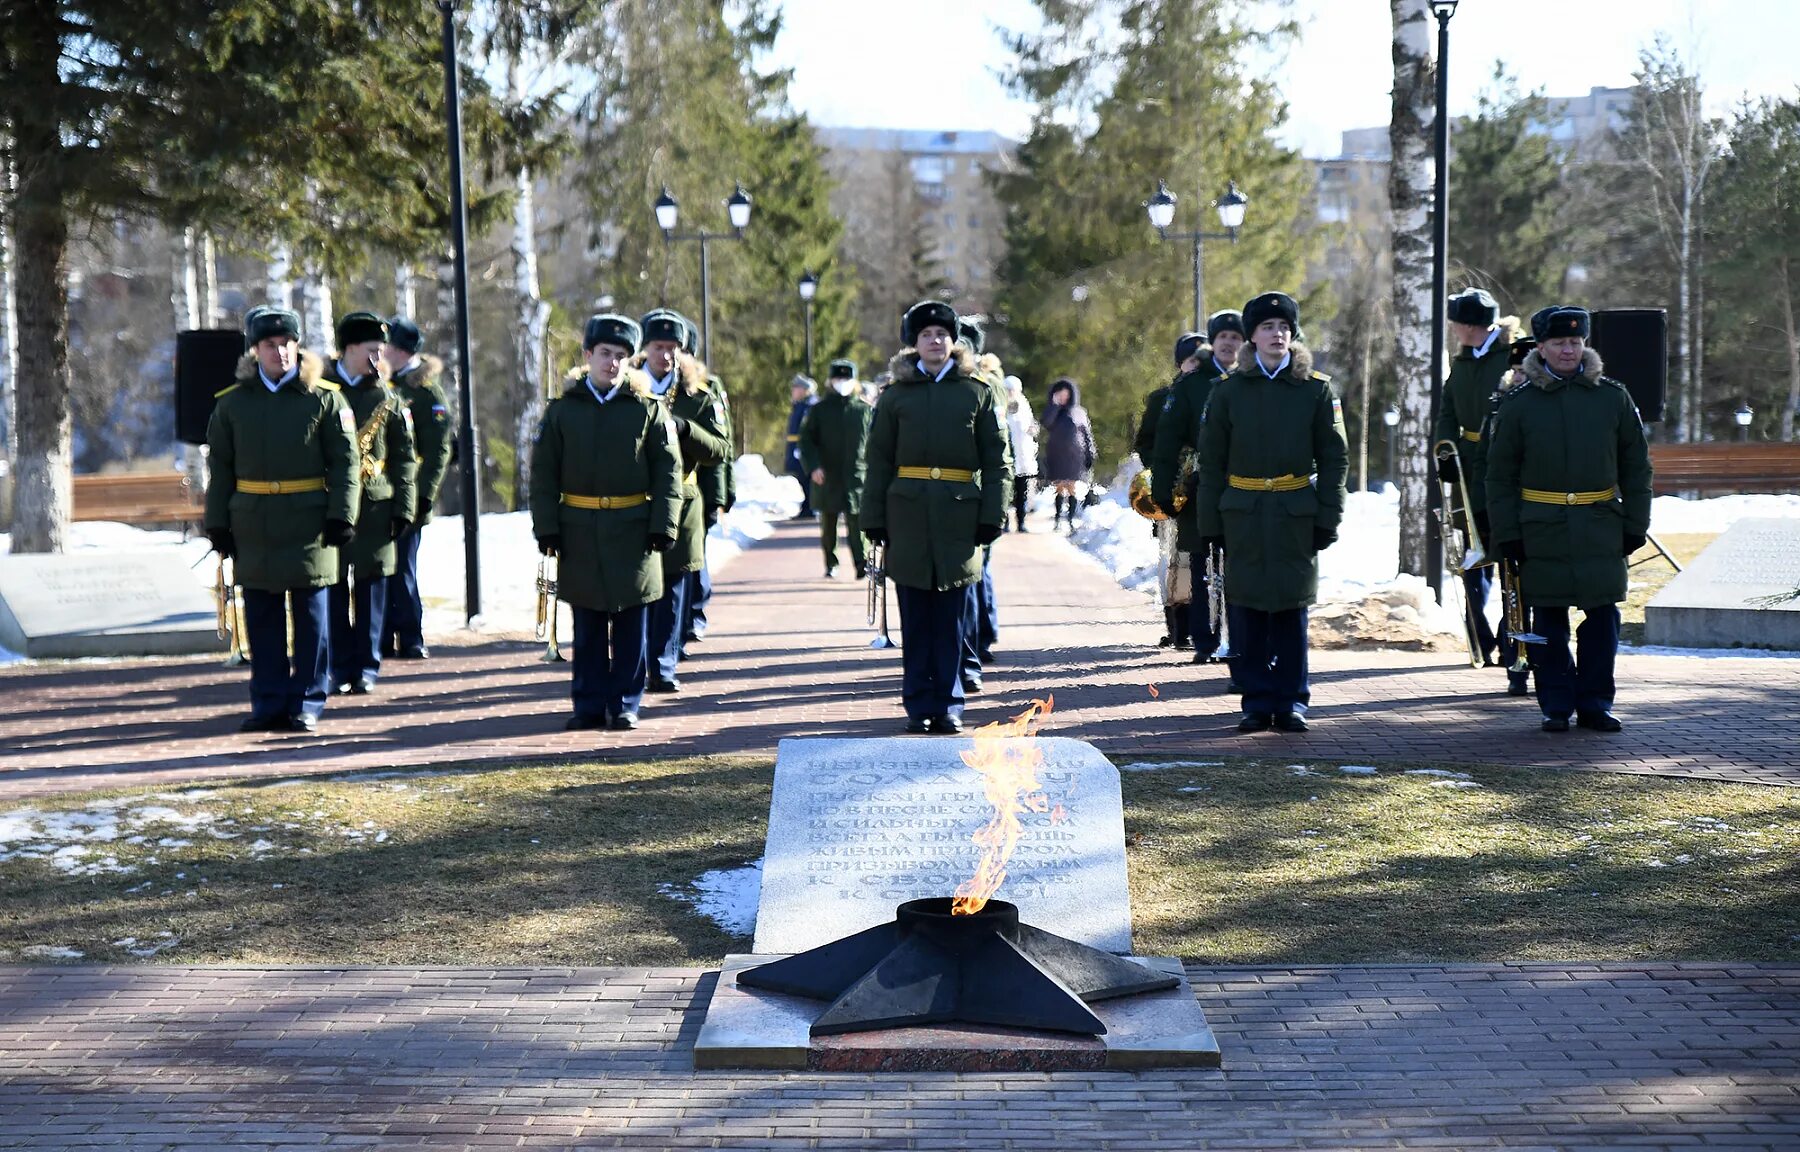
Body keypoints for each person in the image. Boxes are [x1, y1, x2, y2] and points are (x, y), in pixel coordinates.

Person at [1486, 304, 1652, 733]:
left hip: (1601, 525)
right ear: (1540, 347)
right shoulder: (1519, 404)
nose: (1568, 350)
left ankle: (1595, 702)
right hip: (1541, 528)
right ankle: (1555, 704)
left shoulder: (1612, 397)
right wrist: (1508, 533)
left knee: (1602, 619)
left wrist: (1636, 524)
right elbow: (1500, 476)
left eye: (1575, 342)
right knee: (1549, 621)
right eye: (1559, 343)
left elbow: (1637, 467)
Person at [1195, 292, 1348, 733]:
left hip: (1295, 511)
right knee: (1245, 609)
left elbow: (1335, 458)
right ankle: (1256, 699)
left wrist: (1327, 516)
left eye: (1283, 326)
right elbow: (1212, 463)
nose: (1276, 334)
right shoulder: (1228, 392)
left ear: (1292, 334)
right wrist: (1210, 525)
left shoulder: (1316, 390)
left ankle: (1292, 699)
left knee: (1290, 607)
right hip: (1241, 513)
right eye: (1267, 327)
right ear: (1252, 338)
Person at [204, 306, 359, 734]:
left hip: (309, 525)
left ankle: (307, 701)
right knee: (262, 618)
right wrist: (217, 523)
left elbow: (346, 464)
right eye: (271, 345)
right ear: (255, 351)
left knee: (312, 619)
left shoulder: (325, 399)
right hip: (254, 524)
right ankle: (269, 702)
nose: (282, 352)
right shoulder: (233, 404)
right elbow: (221, 468)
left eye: (288, 343)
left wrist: (341, 516)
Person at [862, 299, 1010, 734]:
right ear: (914, 343)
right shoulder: (894, 398)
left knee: (951, 616)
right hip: (905, 515)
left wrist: (992, 515)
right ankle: (916, 704)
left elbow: (998, 461)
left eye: (942, 334)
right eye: (926, 334)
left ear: (954, 342)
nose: (935, 341)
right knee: (915, 616)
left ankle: (948, 705)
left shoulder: (976, 393)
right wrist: (873, 519)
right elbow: (877, 462)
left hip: (959, 517)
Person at [529, 314, 683, 731]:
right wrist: (546, 527)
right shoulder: (563, 411)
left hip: (633, 528)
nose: (611, 364)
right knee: (589, 621)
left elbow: (669, 473)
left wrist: (663, 525)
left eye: (620, 356)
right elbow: (543, 475)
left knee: (632, 621)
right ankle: (589, 704)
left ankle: (626, 703)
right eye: (604, 354)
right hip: (579, 528)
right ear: (587, 356)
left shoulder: (647, 410)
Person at [1435, 287, 1528, 691]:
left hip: (1503, 469)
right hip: (1468, 469)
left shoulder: (1511, 358)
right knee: (1470, 556)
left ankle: (1515, 650)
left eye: (1456, 323)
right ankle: (1480, 636)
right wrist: (1445, 452)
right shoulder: (1463, 361)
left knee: (1507, 559)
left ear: (1470, 326)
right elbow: (1448, 410)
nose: (1453, 329)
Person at [632, 309, 730, 693]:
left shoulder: (698, 395)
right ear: (645, 349)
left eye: (673, 348)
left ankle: (664, 663)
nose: (666, 356)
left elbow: (720, 448)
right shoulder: (628, 389)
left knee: (674, 590)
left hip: (684, 501)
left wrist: (687, 429)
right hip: (636, 502)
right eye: (659, 347)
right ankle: (637, 661)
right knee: (640, 590)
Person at [321, 312, 417, 697]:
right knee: (332, 588)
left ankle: (367, 665)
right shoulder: (323, 391)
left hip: (376, 505)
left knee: (372, 587)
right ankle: (338, 663)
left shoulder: (388, 397)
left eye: (382, 351)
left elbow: (405, 457)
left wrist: (405, 507)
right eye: (372, 351)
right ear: (348, 350)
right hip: (331, 505)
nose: (380, 360)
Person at [1154, 310, 1246, 667]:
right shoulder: (1191, 385)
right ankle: (1204, 640)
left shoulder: (1250, 382)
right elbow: (1166, 441)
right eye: (1223, 337)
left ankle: (1238, 638)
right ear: (1213, 341)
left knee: (1238, 568)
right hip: (1197, 491)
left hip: (1243, 490)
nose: (1229, 343)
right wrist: (1165, 488)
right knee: (1201, 566)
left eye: (1236, 338)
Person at [381, 316, 453, 661]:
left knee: (403, 568)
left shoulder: (425, 393)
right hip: (377, 493)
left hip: (409, 494)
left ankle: (410, 636)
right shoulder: (381, 384)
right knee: (376, 569)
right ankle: (378, 636)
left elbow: (438, 451)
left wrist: (423, 496)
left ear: (399, 350)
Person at [1136, 330, 1203, 650]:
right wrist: (1168, 474)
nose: (1197, 365)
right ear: (1181, 363)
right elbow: (1148, 443)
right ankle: (1177, 626)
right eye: (1192, 360)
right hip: (1173, 492)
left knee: (1200, 560)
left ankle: (1204, 622)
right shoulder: (1164, 398)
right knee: (1173, 558)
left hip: (1203, 491)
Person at [679, 312, 731, 648]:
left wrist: (720, 497)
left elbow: (722, 449)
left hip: (699, 482)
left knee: (695, 556)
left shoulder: (706, 389)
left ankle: (695, 614)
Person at [798, 358, 873, 580]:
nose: (843, 382)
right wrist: (813, 467)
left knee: (857, 523)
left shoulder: (864, 410)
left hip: (856, 476)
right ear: (830, 381)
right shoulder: (819, 410)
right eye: (838, 378)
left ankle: (862, 563)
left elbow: (875, 442)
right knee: (828, 524)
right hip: (827, 475)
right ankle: (831, 563)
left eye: (847, 378)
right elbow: (806, 441)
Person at [1041, 376, 1095, 533]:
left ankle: (1070, 520)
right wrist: (1055, 406)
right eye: (1060, 394)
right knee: (1059, 487)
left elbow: (1087, 434)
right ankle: (1058, 519)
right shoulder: (1052, 411)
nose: (1064, 397)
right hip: (1057, 455)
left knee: (1072, 488)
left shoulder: (1079, 412)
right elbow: (1046, 423)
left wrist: (1090, 453)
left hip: (1075, 456)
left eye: (1066, 394)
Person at [1003, 376, 1038, 532]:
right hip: (1006, 455)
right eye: (1008, 389)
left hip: (1023, 455)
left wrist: (1033, 430)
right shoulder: (1000, 404)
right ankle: (1004, 523)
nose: (1011, 392)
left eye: (1014, 389)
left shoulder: (1024, 404)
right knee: (1005, 492)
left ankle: (1021, 522)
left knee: (1021, 492)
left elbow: (1030, 424)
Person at [784, 375, 817, 519]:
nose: (793, 390)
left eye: (796, 388)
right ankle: (807, 505)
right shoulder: (800, 405)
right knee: (801, 477)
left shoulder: (809, 407)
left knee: (805, 477)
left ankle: (809, 506)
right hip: (796, 445)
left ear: (804, 390)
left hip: (802, 447)